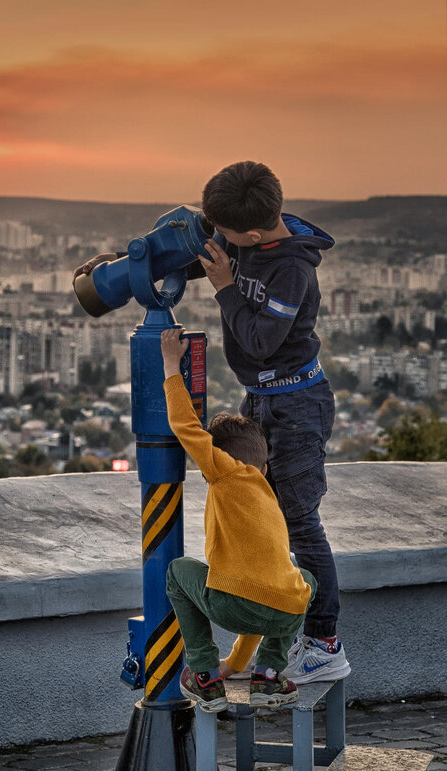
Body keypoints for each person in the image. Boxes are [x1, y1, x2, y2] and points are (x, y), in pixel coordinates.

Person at [196, 161, 349, 685]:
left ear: (256, 233)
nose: (223, 242)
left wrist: (224, 288)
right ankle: (258, 650)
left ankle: (325, 644)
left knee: (300, 524)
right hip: (262, 398)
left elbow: (262, 340)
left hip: (299, 404)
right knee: (265, 525)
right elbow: (205, 245)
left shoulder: (292, 269)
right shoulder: (247, 240)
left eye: (231, 236)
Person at [160, 327, 316, 713]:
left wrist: (169, 366)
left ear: (221, 457)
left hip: (233, 605)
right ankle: (269, 676)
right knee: (301, 580)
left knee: (179, 571)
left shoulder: (224, 471)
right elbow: (260, 597)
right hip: (286, 611)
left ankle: (203, 675)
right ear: (263, 466)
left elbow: (186, 427)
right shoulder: (269, 498)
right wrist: (238, 664)